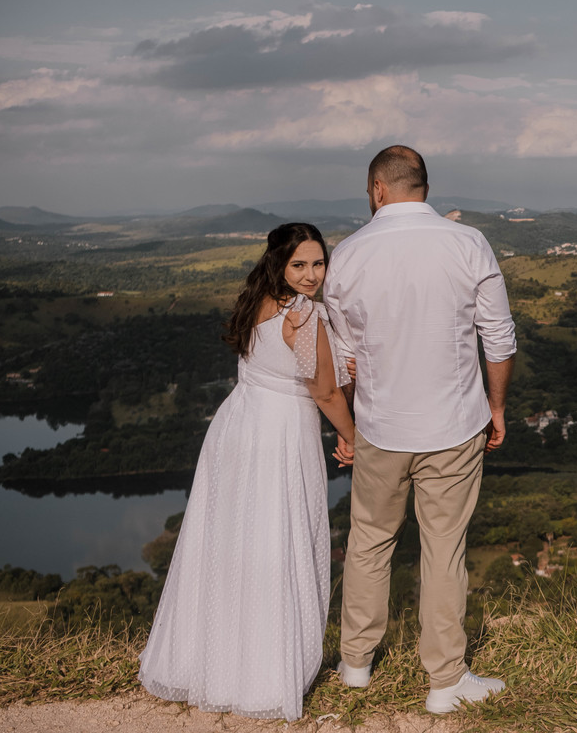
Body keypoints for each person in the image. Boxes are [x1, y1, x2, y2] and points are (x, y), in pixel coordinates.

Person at [323, 145, 517, 714]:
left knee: (368, 543)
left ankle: (355, 663)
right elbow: (499, 339)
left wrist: (354, 422)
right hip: (455, 425)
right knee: (443, 550)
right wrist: (497, 407)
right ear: (423, 186)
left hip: (381, 427)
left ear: (377, 189)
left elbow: (345, 356)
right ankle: (445, 681)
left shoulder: (349, 256)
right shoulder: (468, 243)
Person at [139, 222, 355, 721]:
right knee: (278, 543)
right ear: (279, 263)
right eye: (299, 264)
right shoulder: (303, 317)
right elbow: (322, 390)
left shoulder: (258, 302)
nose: (311, 275)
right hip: (279, 434)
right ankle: (263, 673)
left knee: (226, 544)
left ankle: (206, 663)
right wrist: (352, 438)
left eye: (318, 263)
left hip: (237, 425)